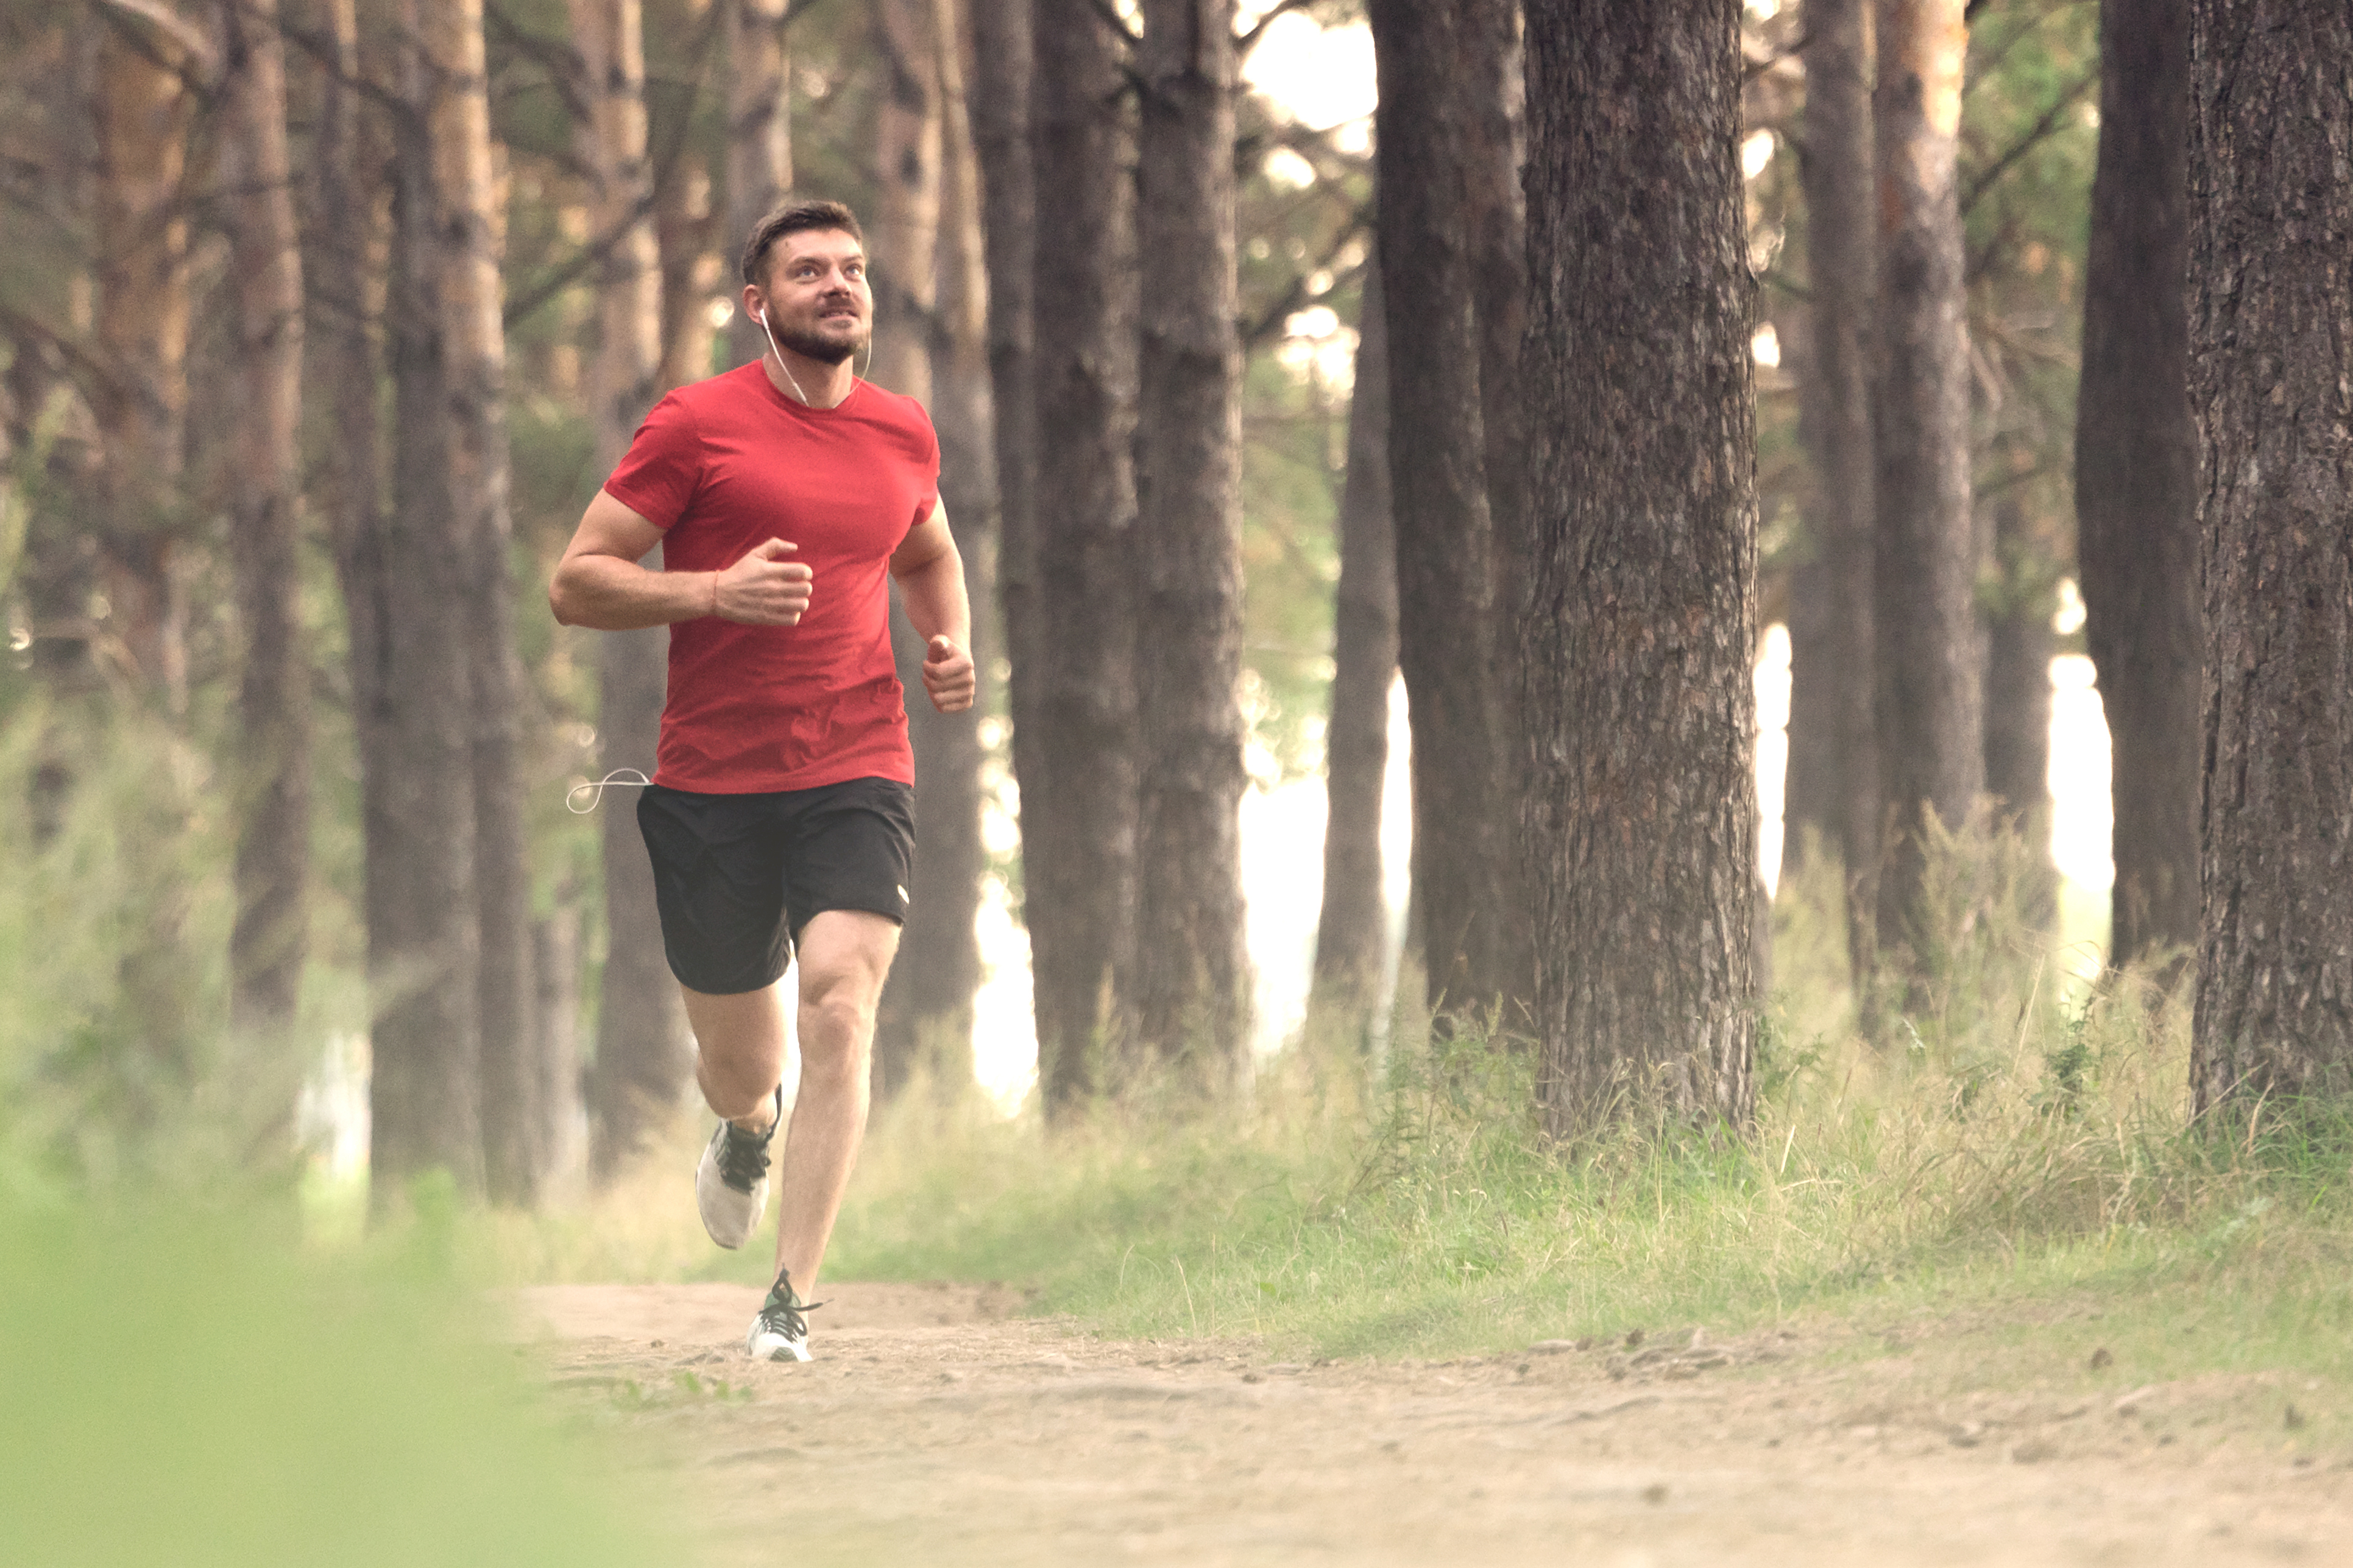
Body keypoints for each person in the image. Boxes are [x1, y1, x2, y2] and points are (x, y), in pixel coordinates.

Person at [549, 199, 974, 1362]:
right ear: (757, 305)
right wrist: (709, 592)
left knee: (841, 999)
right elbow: (577, 582)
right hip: (710, 783)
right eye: (808, 272)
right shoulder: (697, 424)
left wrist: (949, 640)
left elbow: (927, 550)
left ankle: (788, 1298)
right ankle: (746, 1131)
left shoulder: (902, 433)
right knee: (746, 1067)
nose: (839, 286)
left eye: (852, 269)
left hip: (857, 761)